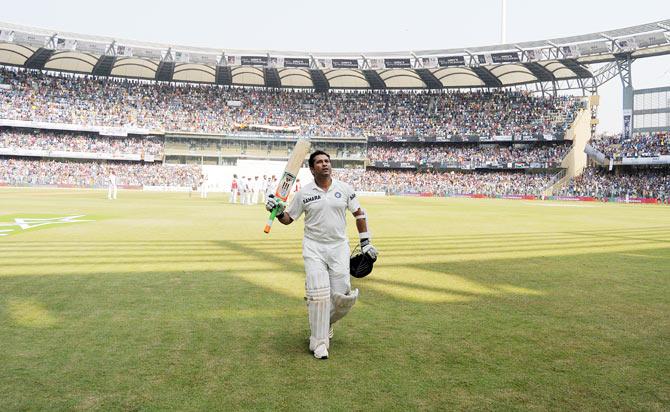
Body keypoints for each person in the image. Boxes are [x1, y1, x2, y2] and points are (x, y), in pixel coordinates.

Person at [265, 150, 378, 359]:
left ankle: (324, 323)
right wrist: (279, 211)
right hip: (314, 247)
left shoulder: (344, 189)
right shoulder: (304, 193)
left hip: (339, 248)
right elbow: (289, 219)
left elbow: (359, 214)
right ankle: (318, 343)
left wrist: (366, 242)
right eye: (319, 162)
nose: (324, 164)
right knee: (318, 295)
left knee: (342, 297)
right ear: (311, 169)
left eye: (327, 161)